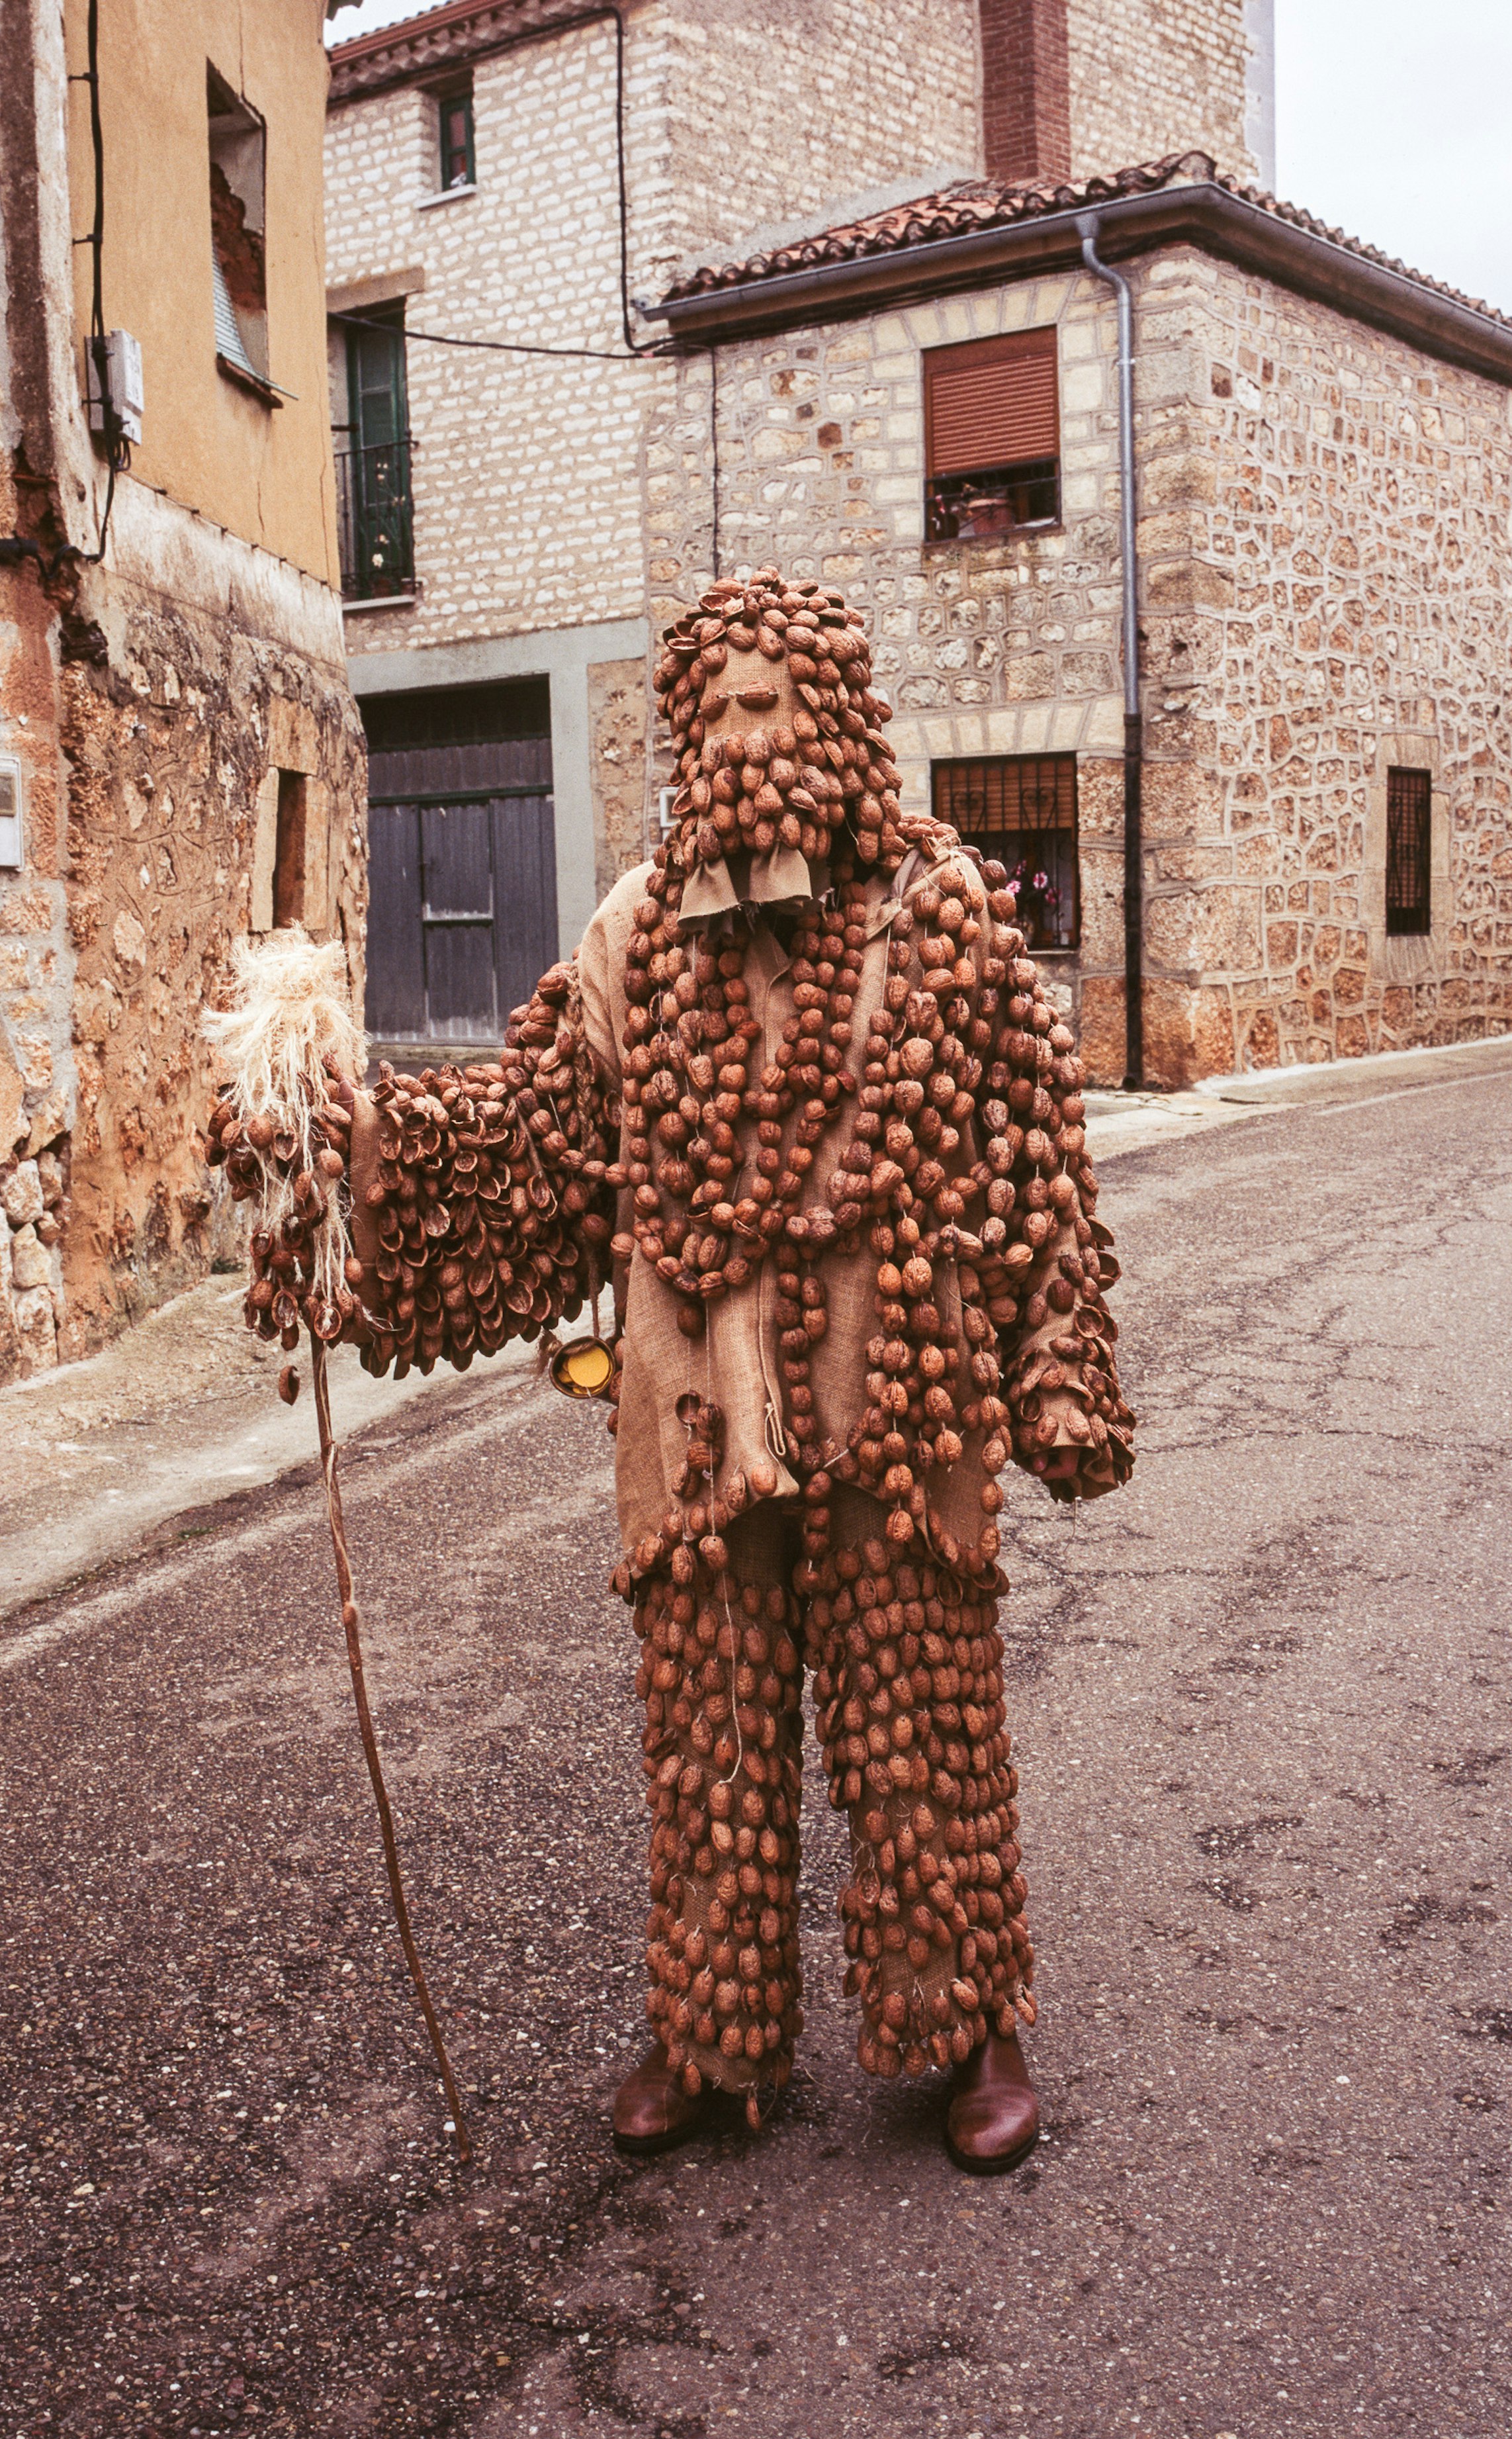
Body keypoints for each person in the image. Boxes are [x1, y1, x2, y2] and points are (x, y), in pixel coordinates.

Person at [311, 571, 1131, 2172]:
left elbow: (1035, 1159)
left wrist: (1060, 1364)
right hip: (694, 1397)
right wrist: (367, 1148)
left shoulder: (943, 916)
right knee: (712, 1737)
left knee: (923, 1720)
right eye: (717, 712)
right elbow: (544, 1137)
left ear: (834, 721)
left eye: (771, 703)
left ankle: (970, 2021)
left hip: (896, 1391)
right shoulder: (634, 932)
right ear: (684, 741)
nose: (744, 735)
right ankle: (710, 2032)